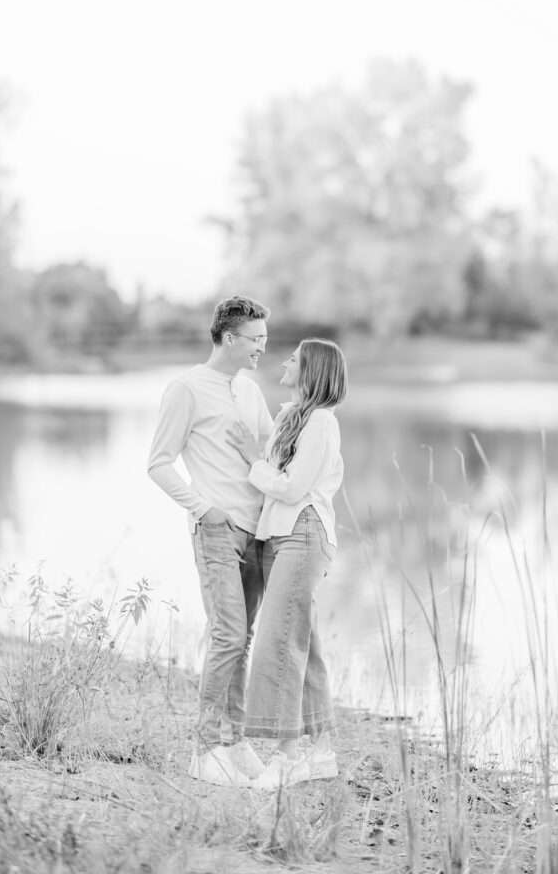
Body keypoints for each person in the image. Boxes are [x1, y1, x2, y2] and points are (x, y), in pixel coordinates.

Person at [147, 294, 273, 787]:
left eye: (264, 339)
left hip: (258, 530)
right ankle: (203, 750)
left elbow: (266, 452)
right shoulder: (186, 389)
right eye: (256, 339)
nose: (262, 347)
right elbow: (158, 462)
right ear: (228, 338)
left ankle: (232, 741)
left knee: (242, 638)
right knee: (226, 634)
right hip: (217, 531)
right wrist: (204, 509)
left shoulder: (251, 391)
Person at [226, 337, 347, 789]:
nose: (285, 361)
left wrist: (252, 457)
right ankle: (321, 751)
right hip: (280, 536)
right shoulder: (291, 417)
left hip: (304, 531)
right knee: (303, 640)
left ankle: (286, 754)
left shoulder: (320, 422)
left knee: (278, 639)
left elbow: (292, 488)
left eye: (295, 359)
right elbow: (272, 482)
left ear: (312, 370)